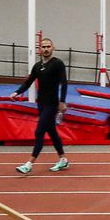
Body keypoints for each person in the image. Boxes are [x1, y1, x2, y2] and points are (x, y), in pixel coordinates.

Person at [13, 36, 68, 173]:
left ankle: (29, 164)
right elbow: (28, 82)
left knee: (39, 132)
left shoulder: (57, 64)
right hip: (41, 104)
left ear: (53, 48)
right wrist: (17, 92)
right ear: (40, 49)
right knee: (52, 132)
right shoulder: (37, 66)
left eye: (48, 46)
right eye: (43, 47)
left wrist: (62, 101)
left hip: (52, 104)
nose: (46, 49)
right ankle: (63, 160)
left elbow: (64, 83)